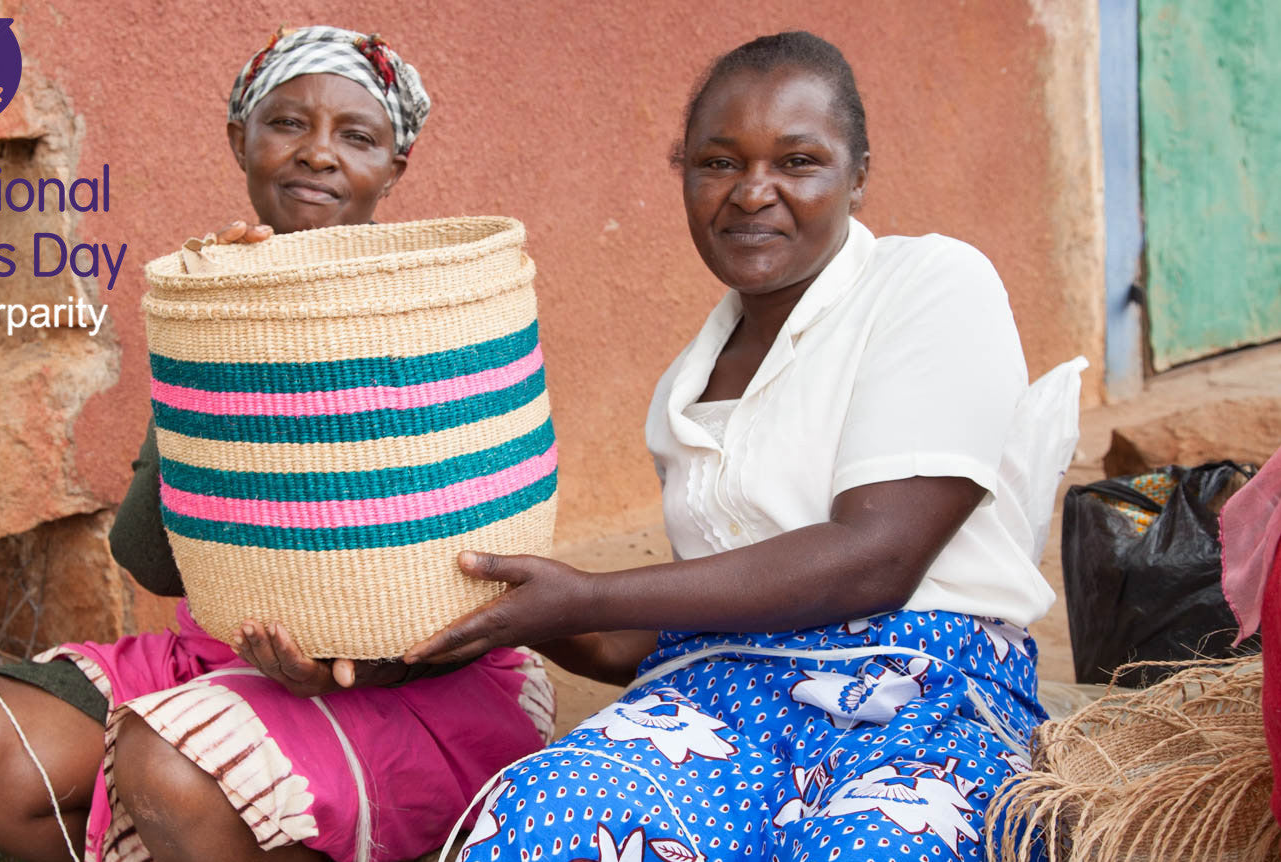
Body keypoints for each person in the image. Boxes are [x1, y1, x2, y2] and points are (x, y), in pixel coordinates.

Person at [404, 31, 1057, 862]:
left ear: (857, 175)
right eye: (718, 164)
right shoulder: (685, 386)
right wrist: (514, 611)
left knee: (875, 845)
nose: (753, 193)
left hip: (922, 691)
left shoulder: (930, 284)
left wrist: (589, 595)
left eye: (797, 161)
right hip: (718, 696)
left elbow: (877, 557)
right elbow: (675, 622)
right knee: (545, 812)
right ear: (684, 177)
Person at [0, 27, 554, 862]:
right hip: (225, 653)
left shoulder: (431, 311)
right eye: (287, 124)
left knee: (181, 776)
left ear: (395, 166)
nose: (318, 155)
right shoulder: (212, 294)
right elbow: (149, 557)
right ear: (240, 141)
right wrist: (216, 339)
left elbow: (475, 577)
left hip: (424, 681)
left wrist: (353, 668)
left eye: (357, 137)